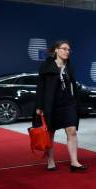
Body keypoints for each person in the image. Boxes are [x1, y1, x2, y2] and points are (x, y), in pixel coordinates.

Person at [35, 40, 87, 172]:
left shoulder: (69, 66)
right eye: (64, 49)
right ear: (56, 50)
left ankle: (74, 162)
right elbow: (40, 87)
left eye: (68, 49)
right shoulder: (46, 66)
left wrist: (75, 101)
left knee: (72, 131)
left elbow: (72, 85)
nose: (67, 52)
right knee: (50, 133)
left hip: (68, 103)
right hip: (51, 104)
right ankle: (50, 160)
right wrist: (39, 106)